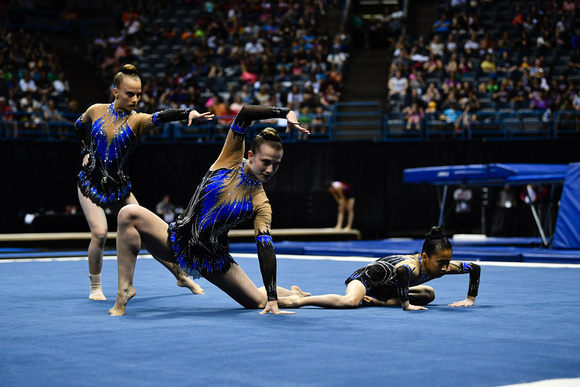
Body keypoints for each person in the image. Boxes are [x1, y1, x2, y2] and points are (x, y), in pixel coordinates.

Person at [108, 105, 311, 316]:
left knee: (257, 302)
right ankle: (125, 289)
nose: (270, 170)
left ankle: (290, 293)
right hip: (179, 240)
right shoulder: (230, 159)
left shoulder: (262, 202)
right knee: (128, 213)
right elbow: (245, 114)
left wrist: (271, 298)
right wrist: (284, 112)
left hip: (214, 259)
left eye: (276, 165)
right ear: (251, 155)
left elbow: (265, 247)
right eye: (266, 162)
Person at [75, 64, 212, 300]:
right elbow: (79, 126)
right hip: (90, 183)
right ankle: (95, 286)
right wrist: (85, 151)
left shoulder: (137, 120)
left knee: (149, 234)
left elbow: (159, 117)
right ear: (115, 91)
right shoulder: (95, 110)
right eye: (130, 94)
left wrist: (186, 112)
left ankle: (180, 275)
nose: (136, 99)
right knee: (100, 233)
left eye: (139, 94)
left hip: (119, 187)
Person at [279, 227, 481, 311]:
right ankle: (300, 299)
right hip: (367, 279)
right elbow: (402, 271)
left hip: (386, 288)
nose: (445, 268)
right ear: (425, 257)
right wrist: (406, 304)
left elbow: (474, 267)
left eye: (448, 262)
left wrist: (469, 298)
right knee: (350, 302)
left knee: (430, 293)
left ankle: (380, 302)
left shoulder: (443, 267)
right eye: (441, 263)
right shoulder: (413, 266)